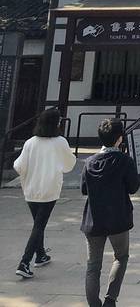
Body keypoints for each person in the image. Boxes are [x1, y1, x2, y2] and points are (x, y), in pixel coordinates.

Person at [81, 117, 140, 307]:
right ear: (120, 138)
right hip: (118, 217)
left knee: (93, 265)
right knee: (121, 257)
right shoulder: (124, 161)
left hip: (93, 219)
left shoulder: (89, 162)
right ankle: (110, 299)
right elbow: (133, 187)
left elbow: (84, 189)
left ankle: (93, 303)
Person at [13, 107, 77, 279]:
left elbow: (18, 165)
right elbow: (69, 165)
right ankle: (24, 262)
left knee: (38, 223)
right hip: (49, 188)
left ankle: (40, 254)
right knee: (39, 225)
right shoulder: (60, 142)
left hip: (31, 188)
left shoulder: (30, 142)